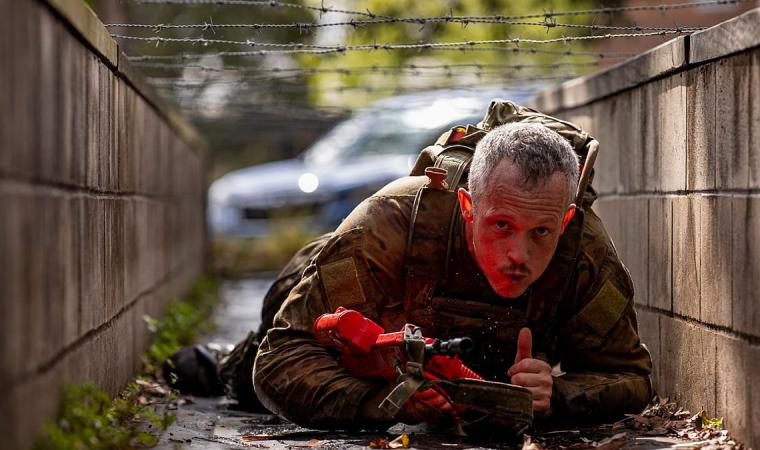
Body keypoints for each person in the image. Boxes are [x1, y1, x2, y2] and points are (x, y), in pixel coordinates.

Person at [213, 100, 653, 431]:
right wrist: (382, 402)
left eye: (541, 232)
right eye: (501, 225)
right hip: (353, 336)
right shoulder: (391, 220)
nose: (518, 254)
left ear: (566, 221)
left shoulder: (583, 249)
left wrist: (556, 396)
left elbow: (630, 377)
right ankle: (211, 361)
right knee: (245, 370)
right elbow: (280, 358)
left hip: (461, 368)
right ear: (467, 207)